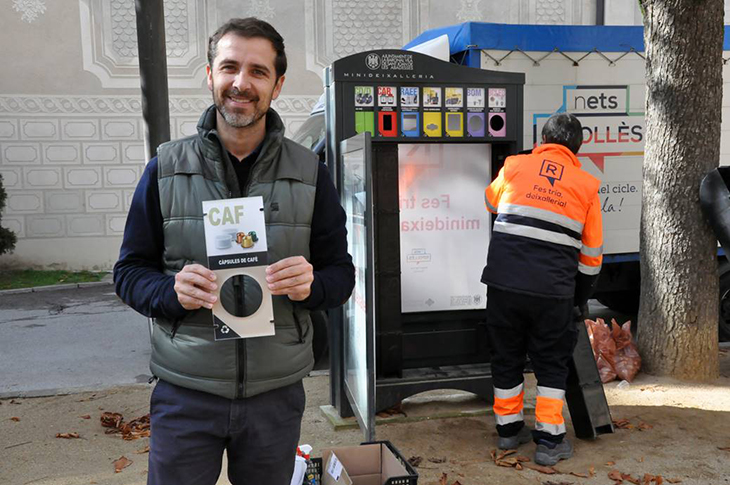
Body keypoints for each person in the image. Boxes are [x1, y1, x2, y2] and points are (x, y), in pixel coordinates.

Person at [113, 17, 355, 485]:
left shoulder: (310, 172)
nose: (241, 83)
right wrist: (169, 291)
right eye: (229, 67)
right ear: (210, 75)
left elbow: (340, 274)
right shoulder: (165, 167)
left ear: (277, 85)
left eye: (258, 71)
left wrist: (313, 285)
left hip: (275, 396)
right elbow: (128, 271)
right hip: (186, 392)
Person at [481, 113, 602, 466]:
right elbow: (592, 257)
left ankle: (508, 431)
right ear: (578, 147)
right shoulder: (586, 185)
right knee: (551, 363)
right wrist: (578, 299)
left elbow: (491, 202)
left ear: (542, 139)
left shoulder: (515, 166)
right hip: (553, 291)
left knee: (506, 357)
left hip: (503, 285)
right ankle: (549, 442)